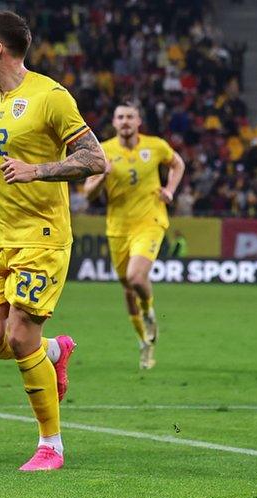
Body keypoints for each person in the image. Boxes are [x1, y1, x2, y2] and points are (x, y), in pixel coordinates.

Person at [0, 11, 105, 471]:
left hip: (41, 236)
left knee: (20, 336)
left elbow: (96, 159)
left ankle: (50, 445)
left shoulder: (50, 97)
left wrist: (37, 170)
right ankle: (54, 351)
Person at [82, 99, 186, 369]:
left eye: (130, 117)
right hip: (117, 227)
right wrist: (102, 177)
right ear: (114, 123)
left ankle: (149, 310)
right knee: (128, 289)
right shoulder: (102, 152)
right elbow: (88, 193)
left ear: (138, 121)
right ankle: (144, 344)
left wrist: (170, 190)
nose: (125, 121)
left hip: (150, 220)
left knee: (136, 277)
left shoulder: (156, 146)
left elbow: (178, 164)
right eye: (120, 117)